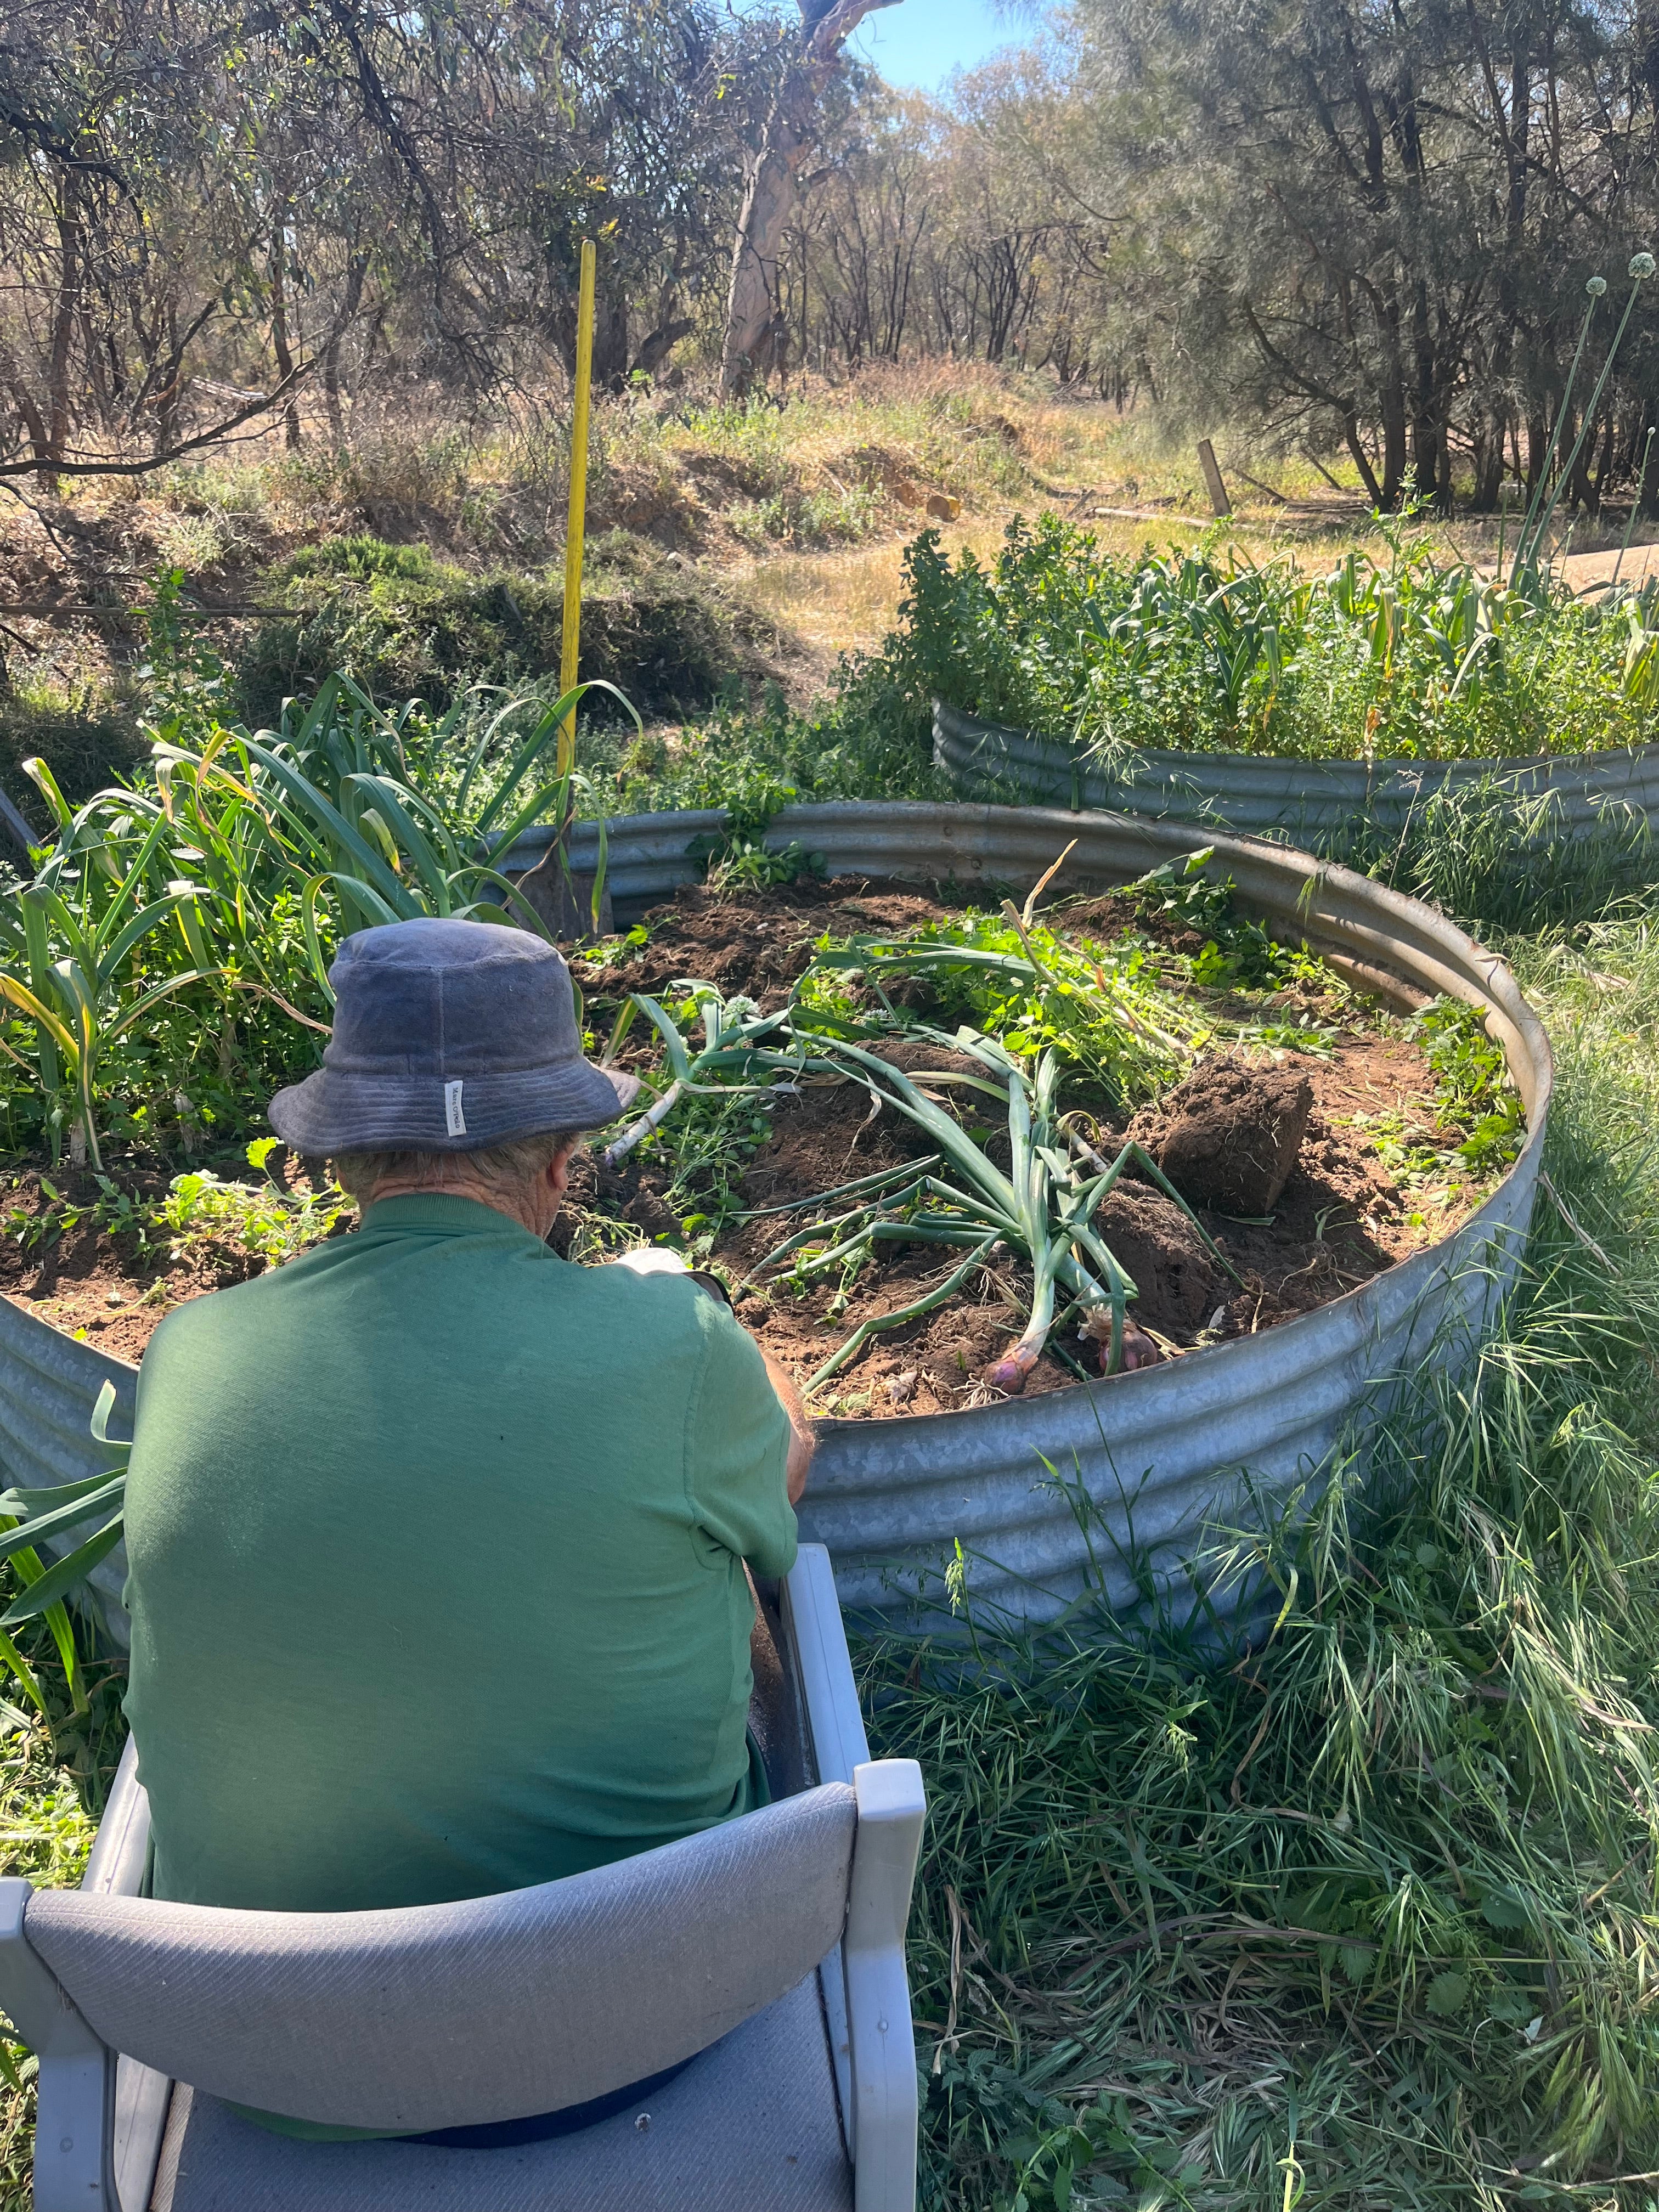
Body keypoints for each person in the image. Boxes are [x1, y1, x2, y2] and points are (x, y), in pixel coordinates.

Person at [120, 917, 815, 2144]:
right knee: (732, 1583)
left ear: (339, 1163)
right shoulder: (674, 1350)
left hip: (275, 2055)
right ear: (561, 1163)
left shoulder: (193, 1352)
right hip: (624, 2038)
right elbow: (785, 1477)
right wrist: (707, 1335)